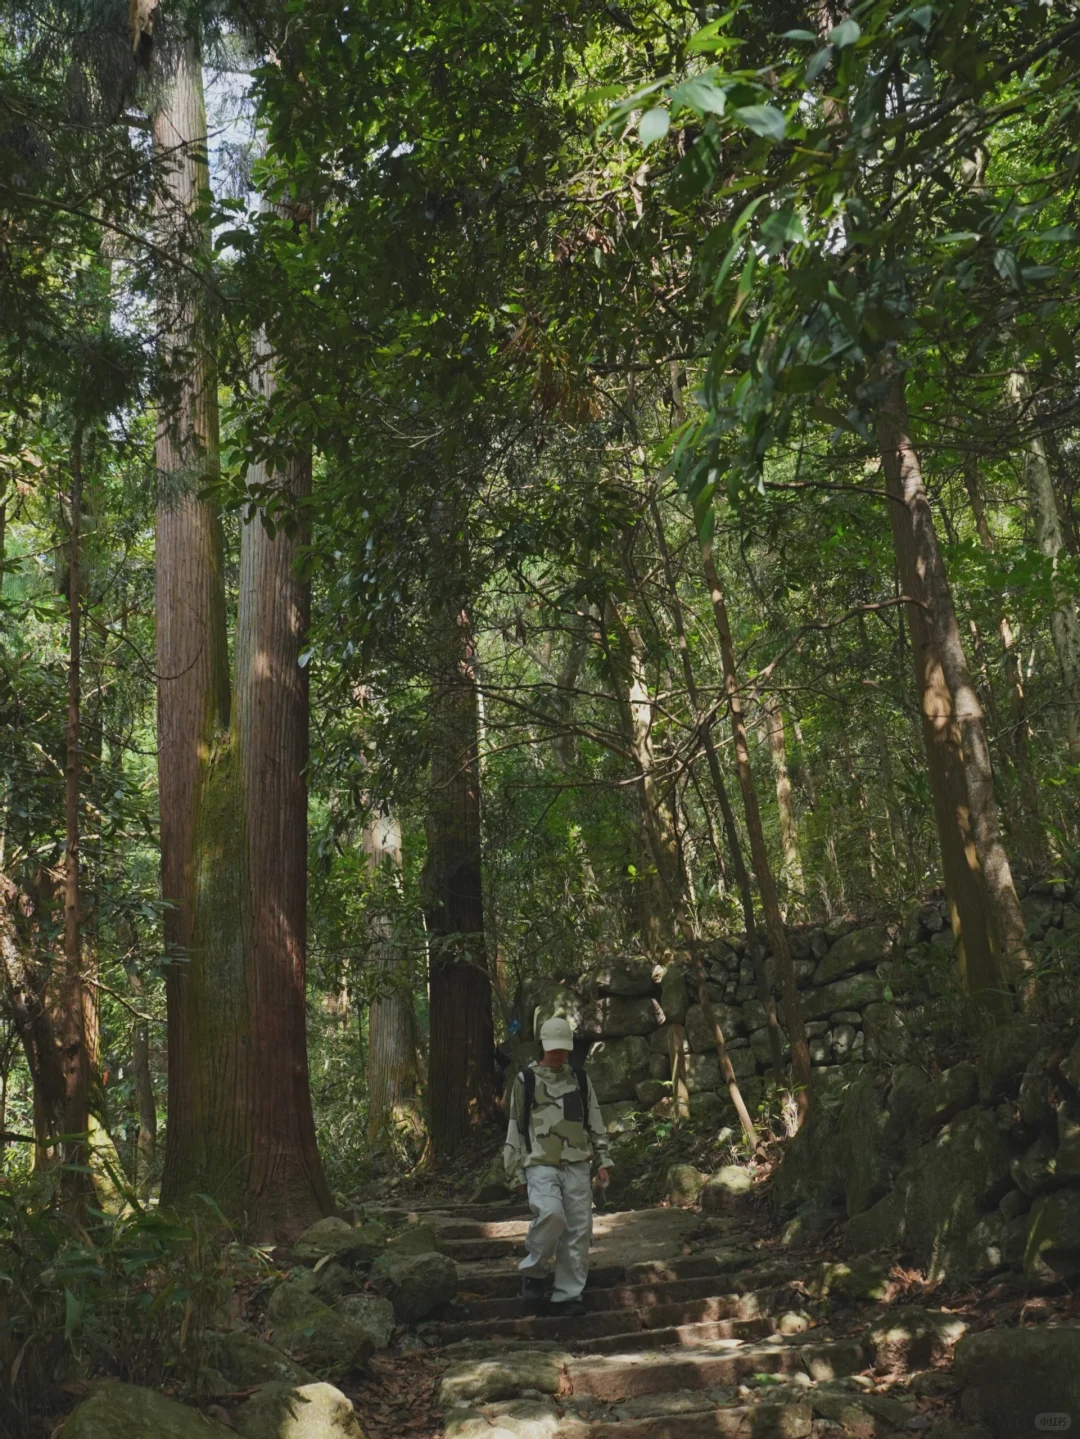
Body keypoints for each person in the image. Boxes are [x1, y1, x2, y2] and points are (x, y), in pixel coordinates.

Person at [502, 1015, 612, 1316]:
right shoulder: (525, 1080)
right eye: (553, 1048)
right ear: (543, 1047)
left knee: (578, 1228)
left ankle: (568, 1296)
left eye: (563, 1049)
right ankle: (534, 1272)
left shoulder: (580, 1079)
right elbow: (515, 1127)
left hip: (577, 1164)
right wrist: (515, 1172)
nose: (559, 1054)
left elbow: (594, 1122)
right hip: (540, 1164)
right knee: (551, 1214)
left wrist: (603, 1159)